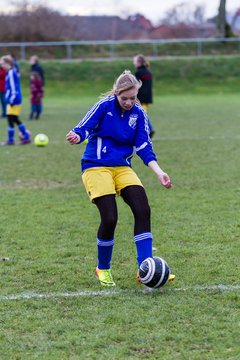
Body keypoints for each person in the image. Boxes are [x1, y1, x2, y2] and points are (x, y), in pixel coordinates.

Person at [66, 70, 175, 287]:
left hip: (122, 167)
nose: (128, 102)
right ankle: (103, 268)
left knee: (142, 209)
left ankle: (145, 267)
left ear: (137, 95)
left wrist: (159, 172)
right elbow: (85, 126)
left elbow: (144, 146)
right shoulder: (104, 106)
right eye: (124, 98)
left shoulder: (140, 114)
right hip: (96, 167)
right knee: (110, 218)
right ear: (116, 93)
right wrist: (77, 135)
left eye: (132, 98)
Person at [0, 55, 31, 146]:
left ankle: (15, 139)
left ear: (8, 63)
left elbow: (14, 88)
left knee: (12, 119)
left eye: (2, 64)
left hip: (14, 100)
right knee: (14, 119)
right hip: (12, 99)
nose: (1, 66)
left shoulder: (11, 72)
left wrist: (11, 99)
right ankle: (23, 137)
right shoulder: (9, 72)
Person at [133, 54, 155, 138]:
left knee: (140, 115)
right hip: (147, 98)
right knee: (141, 114)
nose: (134, 63)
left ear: (139, 62)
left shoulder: (138, 73)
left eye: (134, 61)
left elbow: (135, 86)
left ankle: (150, 129)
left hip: (140, 98)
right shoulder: (148, 72)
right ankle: (148, 130)